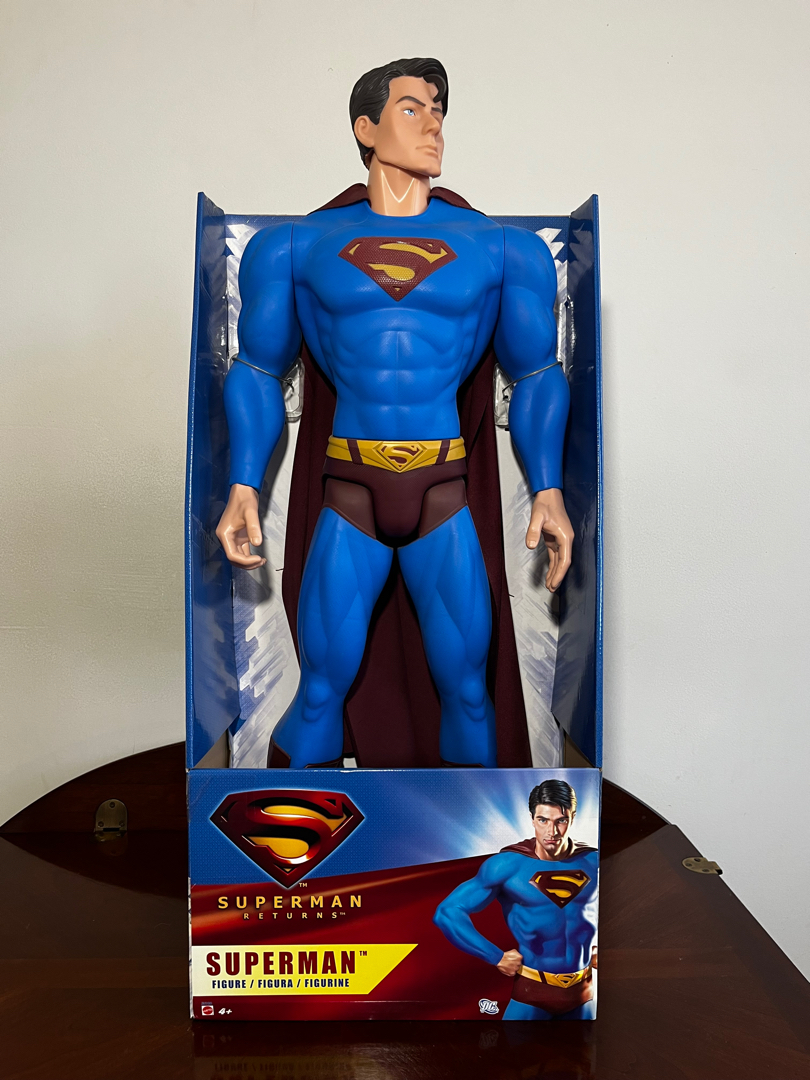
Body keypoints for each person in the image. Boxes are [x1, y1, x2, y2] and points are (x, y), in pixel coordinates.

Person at [215, 58, 574, 768]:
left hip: (443, 487)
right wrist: (244, 484)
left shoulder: (503, 250)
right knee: (320, 691)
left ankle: (469, 830)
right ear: (366, 128)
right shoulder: (294, 248)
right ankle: (297, 833)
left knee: (467, 692)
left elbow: (537, 375)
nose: (434, 123)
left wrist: (550, 489)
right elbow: (256, 370)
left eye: (439, 110)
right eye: (413, 108)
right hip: (351, 489)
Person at [433, 779, 598, 1019]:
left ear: (572, 818)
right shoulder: (508, 865)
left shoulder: (594, 862)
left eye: (561, 821)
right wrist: (496, 956)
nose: (552, 832)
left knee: (592, 1045)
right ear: (532, 819)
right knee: (513, 1045)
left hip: (583, 994)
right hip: (532, 993)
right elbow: (448, 912)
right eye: (543, 820)